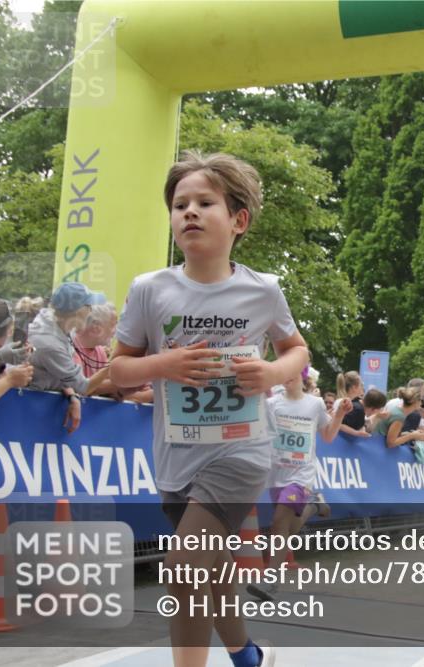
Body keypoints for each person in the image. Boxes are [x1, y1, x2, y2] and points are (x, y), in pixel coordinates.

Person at [110, 150, 309, 667]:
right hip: (176, 456)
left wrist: (270, 374)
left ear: (238, 220)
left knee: (182, 566)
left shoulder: (263, 290)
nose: (189, 213)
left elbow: (297, 351)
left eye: (204, 203)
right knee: (210, 567)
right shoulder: (150, 289)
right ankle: (245, 652)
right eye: (180, 205)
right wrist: (164, 364)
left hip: (241, 451)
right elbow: (119, 370)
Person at [247, 371, 350, 602]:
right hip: (277, 474)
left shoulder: (314, 404)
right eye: (284, 373)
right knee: (288, 528)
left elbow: (328, 436)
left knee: (278, 523)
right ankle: (313, 505)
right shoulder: (271, 404)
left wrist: (340, 415)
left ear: (303, 377)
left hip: (302, 474)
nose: (287, 377)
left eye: (293, 373)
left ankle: (270, 580)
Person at [28, 282, 111, 432]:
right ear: (78, 312)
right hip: (31, 409)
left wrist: (72, 396)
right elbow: (84, 387)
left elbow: (68, 380)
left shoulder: (51, 320)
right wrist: (111, 367)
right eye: (89, 307)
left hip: (38, 402)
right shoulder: (50, 343)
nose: (91, 312)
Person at [335, 370, 370, 437]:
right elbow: (335, 422)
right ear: (354, 388)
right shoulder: (343, 402)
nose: (362, 387)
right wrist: (356, 433)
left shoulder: (345, 402)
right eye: (361, 385)